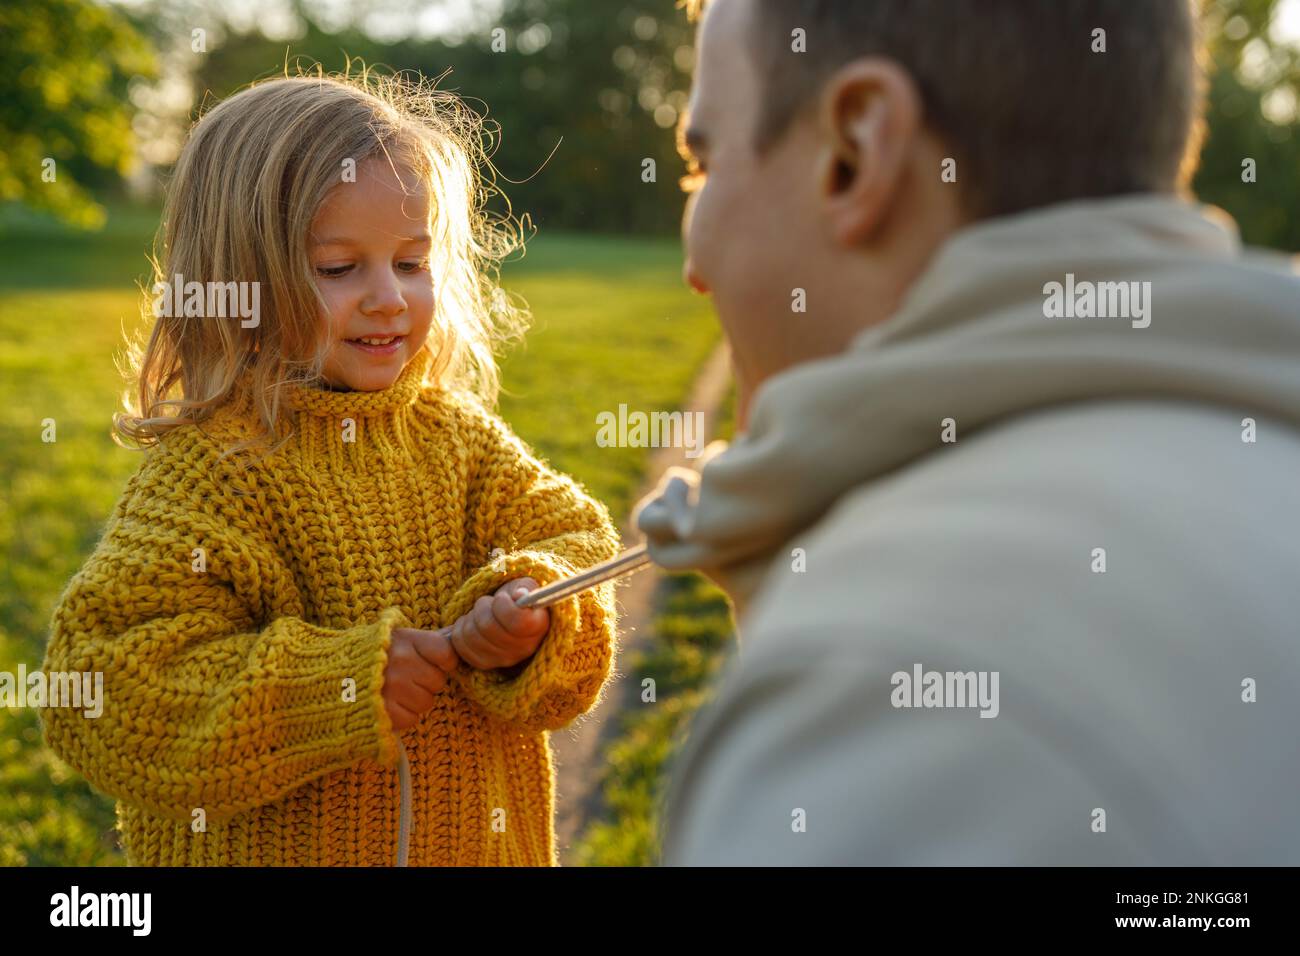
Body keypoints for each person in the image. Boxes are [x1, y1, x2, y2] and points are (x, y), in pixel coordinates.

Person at [637, 0, 1300, 864]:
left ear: (854, 152)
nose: (695, 265)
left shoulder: (887, 692)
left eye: (702, 166)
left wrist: (843, 632)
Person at [40, 72, 620, 866]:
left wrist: (532, 607)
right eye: (340, 268)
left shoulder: (457, 441)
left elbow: (578, 540)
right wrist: (335, 688)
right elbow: (105, 690)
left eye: (412, 263)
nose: (388, 299)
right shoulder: (212, 472)